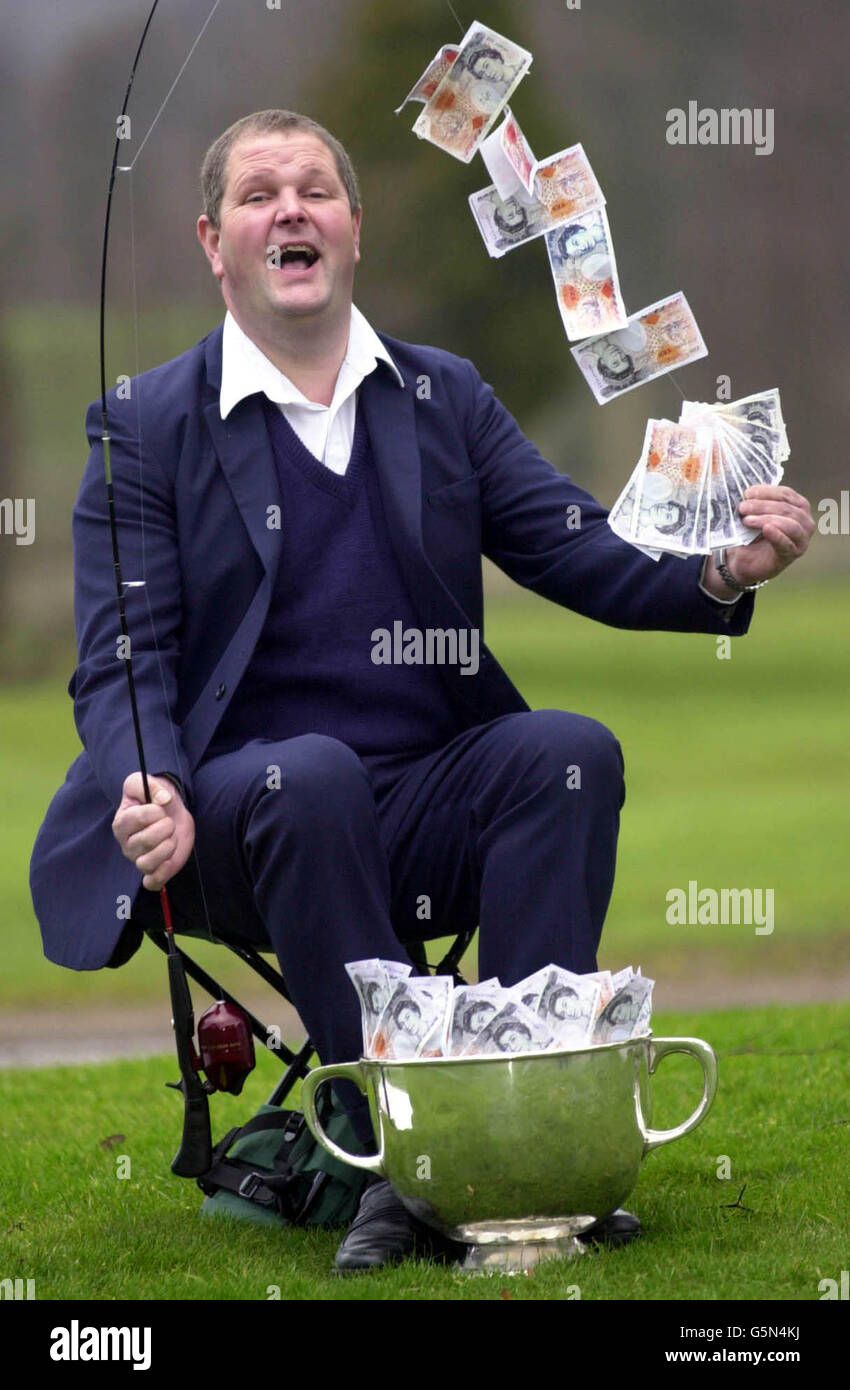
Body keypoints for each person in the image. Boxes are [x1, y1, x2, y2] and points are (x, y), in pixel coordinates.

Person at [30, 108, 814, 1273]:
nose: (289, 209)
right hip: (238, 821)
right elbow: (121, 656)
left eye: (315, 190)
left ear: (354, 228)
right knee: (317, 776)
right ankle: (394, 1161)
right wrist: (149, 780)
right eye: (258, 194)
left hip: (420, 799)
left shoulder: (444, 396)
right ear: (214, 240)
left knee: (568, 749)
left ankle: (523, 1137)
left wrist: (718, 570)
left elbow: (576, 548)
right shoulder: (145, 426)